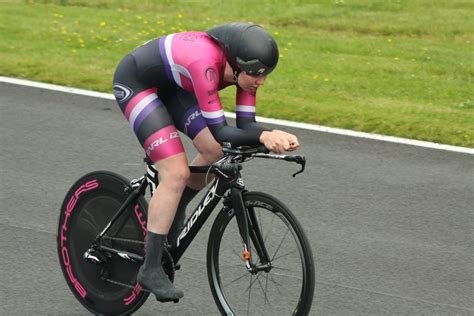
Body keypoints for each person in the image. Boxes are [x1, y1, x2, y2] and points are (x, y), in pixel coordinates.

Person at [112, 22, 299, 302]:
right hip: (138, 84)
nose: (261, 81)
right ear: (237, 66)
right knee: (175, 173)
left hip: (175, 86)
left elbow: (246, 125)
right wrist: (266, 137)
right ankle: (149, 269)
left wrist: (268, 136)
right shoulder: (205, 64)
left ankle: (176, 208)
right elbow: (223, 131)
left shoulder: (245, 70)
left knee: (216, 153)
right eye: (256, 74)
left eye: (265, 74)